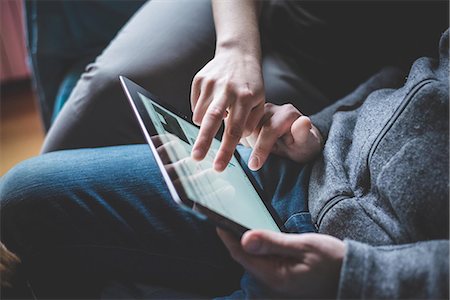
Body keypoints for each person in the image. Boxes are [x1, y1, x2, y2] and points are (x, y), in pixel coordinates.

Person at [0, 0, 448, 298]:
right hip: (312, 168)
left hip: (355, 256)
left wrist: (360, 275)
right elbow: (412, 80)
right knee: (21, 191)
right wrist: (316, 130)